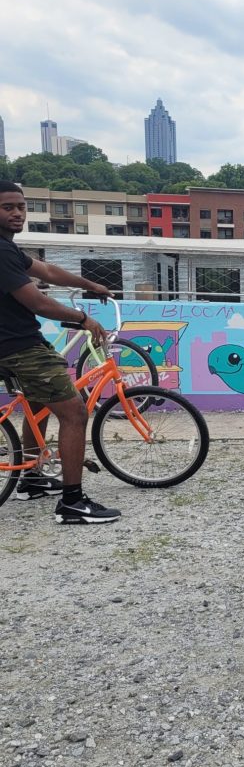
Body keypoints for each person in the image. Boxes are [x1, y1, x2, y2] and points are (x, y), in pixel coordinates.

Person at [0, 181, 120, 523]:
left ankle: (33, 477)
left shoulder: (9, 251)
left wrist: (88, 285)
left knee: (38, 406)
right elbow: (36, 301)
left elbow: (47, 271)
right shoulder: (1, 251)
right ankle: (72, 502)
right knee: (74, 413)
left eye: (21, 207)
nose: (17, 213)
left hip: (19, 343)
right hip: (18, 346)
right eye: (7, 207)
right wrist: (83, 319)